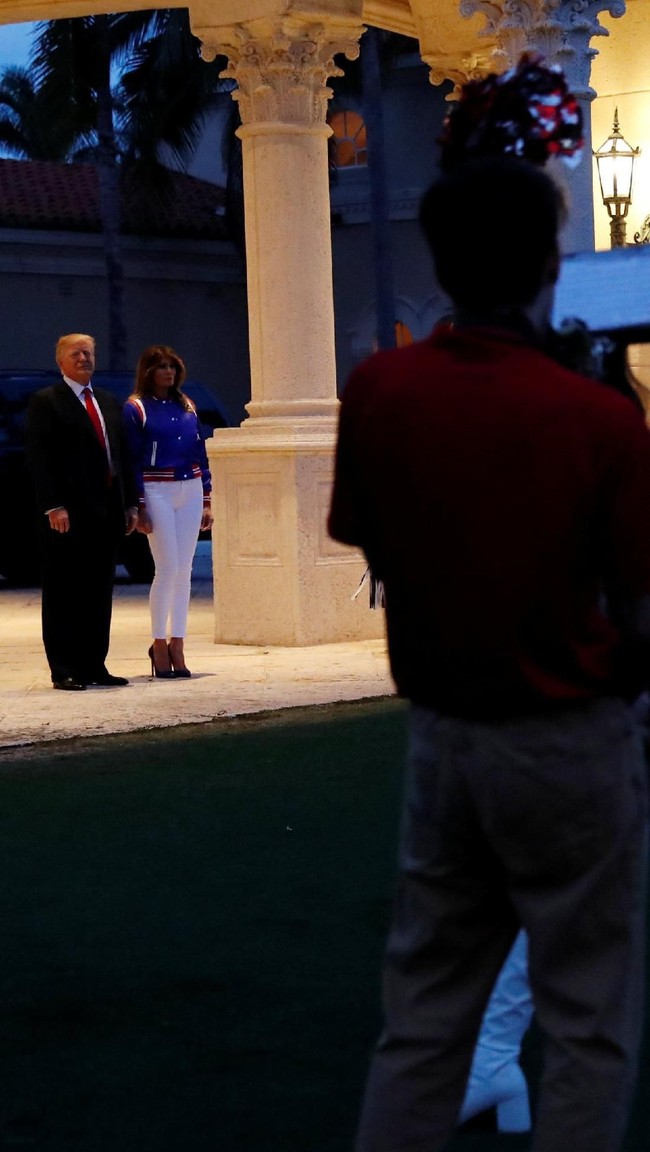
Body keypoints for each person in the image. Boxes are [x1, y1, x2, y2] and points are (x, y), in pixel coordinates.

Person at [328, 153, 650, 1152]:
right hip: (565, 734)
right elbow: (633, 597)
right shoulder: (596, 415)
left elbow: (373, 538)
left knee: (421, 1022)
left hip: (442, 735)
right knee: (587, 1021)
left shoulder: (382, 388)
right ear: (547, 262)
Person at [25, 333, 139, 690]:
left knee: (98, 590)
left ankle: (94, 665)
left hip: (106, 512)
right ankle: (64, 668)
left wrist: (130, 503)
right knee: (64, 591)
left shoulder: (106, 400)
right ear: (61, 361)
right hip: (67, 514)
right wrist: (52, 505)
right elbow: (40, 458)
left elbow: (120, 456)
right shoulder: (47, 401)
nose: (84, 358)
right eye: (76, 353)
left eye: (89, 353)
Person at [122, 345, 213, 678]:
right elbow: (131, 458)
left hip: (189, 487)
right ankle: (158, 641)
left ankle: (179, 642)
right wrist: (139, 504)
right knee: (167, 567)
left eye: (172, 366)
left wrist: (206, 497)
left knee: (185, 570)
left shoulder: (186, 404)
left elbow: (198, 451)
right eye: (161, 367)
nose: (168, 372)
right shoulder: (135, 409)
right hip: (155, 488)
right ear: (148, 371)